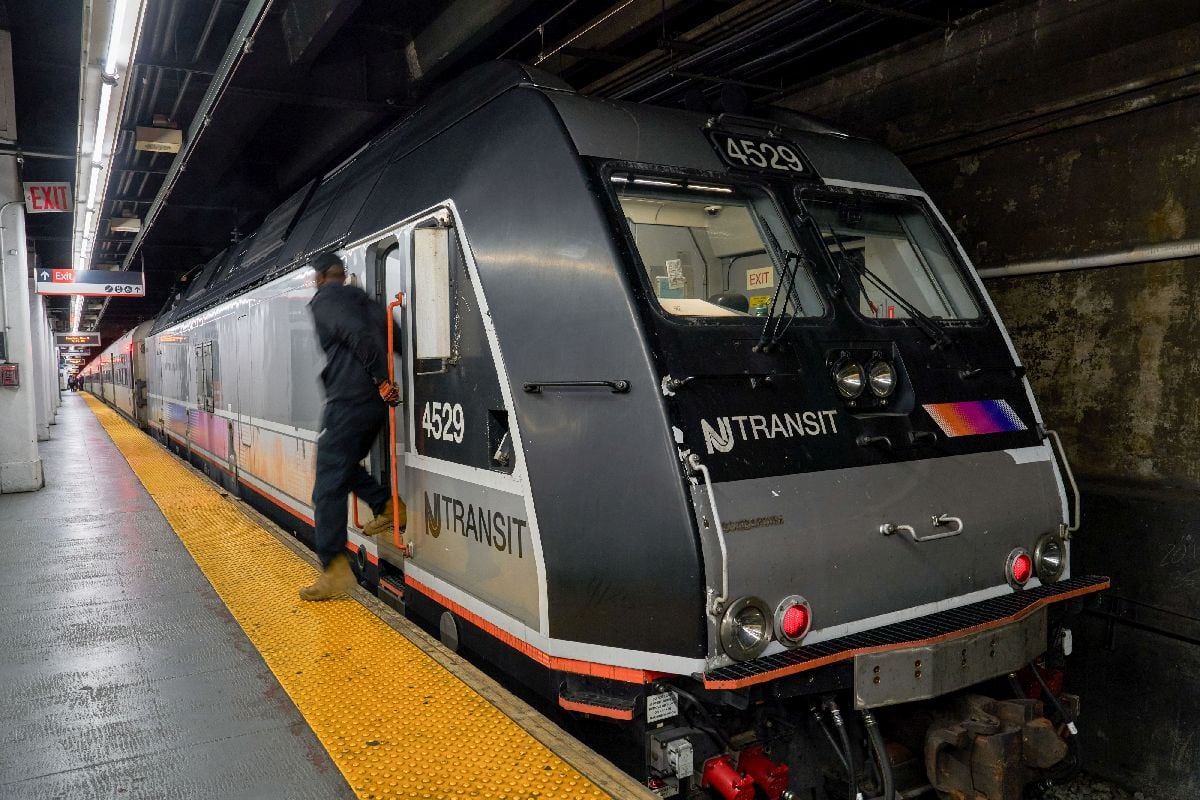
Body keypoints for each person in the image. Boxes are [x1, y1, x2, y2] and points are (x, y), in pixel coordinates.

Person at [301, 252, 406, 601]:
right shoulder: (365, 300)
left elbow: (355, 334)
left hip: (349, 401)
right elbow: (396, 336)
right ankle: (388, 506)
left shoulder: (324, 302)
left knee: (327, 486)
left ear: (319, 278)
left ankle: (333, 569)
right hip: (372, 406)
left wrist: (379, 378)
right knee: (342, 467)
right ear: (342, 275)